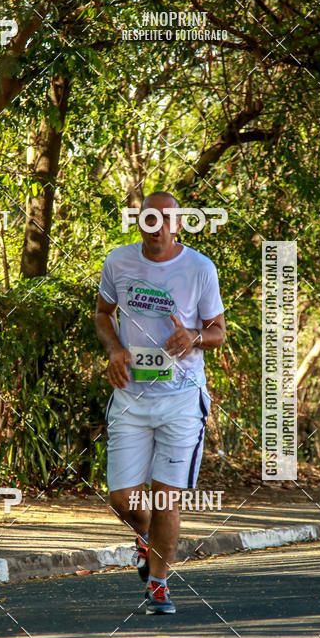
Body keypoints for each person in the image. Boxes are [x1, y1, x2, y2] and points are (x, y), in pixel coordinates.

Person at [95, 191, 226, 614]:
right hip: (131, 394)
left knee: (165, 496)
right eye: (150, 219)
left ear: (179, 225)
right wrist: (115, 349)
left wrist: (194, 336)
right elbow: (102, 313)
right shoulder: (118, 261)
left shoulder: (199, 269)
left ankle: (158, 584)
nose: (158, 227)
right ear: (141, 224)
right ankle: (147, 538)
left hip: (181, 398)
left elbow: (218, 331)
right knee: (122, 498)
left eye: (166, 220)